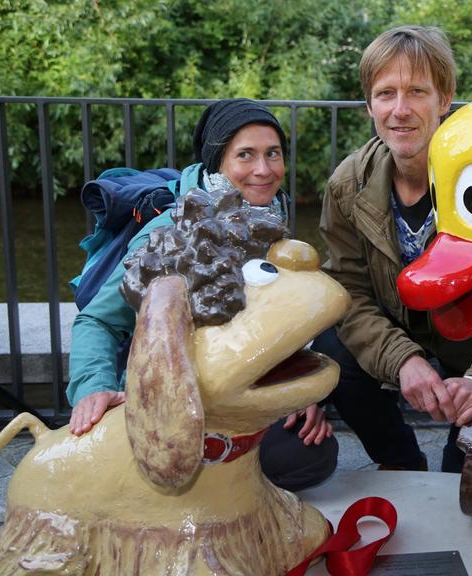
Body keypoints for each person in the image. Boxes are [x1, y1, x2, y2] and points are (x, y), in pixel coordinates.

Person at [313, 25, 472, 473]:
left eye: (417, 91)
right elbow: (348, 293)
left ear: (445, 100)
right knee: (333, 348)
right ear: (369, 105)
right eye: (386, 93)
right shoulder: (348, 184)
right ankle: (402, 464)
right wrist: (402, 359)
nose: (400, 110)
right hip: (403, 336)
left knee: (463, 479)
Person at [67, 99, 337, 491]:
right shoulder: (170, 229)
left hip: (231, 387)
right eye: (246, 155)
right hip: (174, 391)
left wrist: (291, 390)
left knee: (311, 454)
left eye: (273, 154)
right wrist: (93, 390)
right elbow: (98, 319)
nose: (264, 169)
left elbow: (261, 321)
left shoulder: (271, 214)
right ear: (217, 163)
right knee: (277, 460)